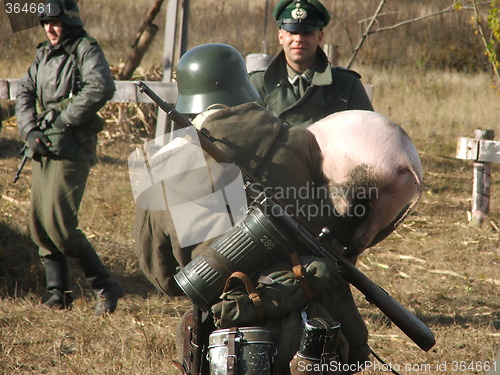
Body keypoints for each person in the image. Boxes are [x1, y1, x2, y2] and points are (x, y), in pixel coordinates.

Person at [132, 43, 370, 374]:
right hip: (315, 333)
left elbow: (165, 278)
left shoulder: (163, 165)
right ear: (242, 85)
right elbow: (340, 231)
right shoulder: (302, 142)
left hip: (223, 340)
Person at [15, 0, 124, 315]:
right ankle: (58, 293)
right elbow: (24, 92)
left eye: (56, 23)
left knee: (60, 224)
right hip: (42, 145)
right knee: (39, 224)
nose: (49, 29)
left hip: (73, 145)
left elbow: (100, 87)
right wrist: (30, 130)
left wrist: (62, 120)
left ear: (70, 23)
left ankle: (105, 284)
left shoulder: (85, 50)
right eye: (45, 23)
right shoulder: (43, 54)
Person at [249, 0, 374, 128]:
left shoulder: (346, 85)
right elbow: (244, 137)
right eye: (292, 32)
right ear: (280, 36)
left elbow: (367, 135)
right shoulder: (257, 84)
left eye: (306, 33)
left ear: (320, 37)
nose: (298, 39)